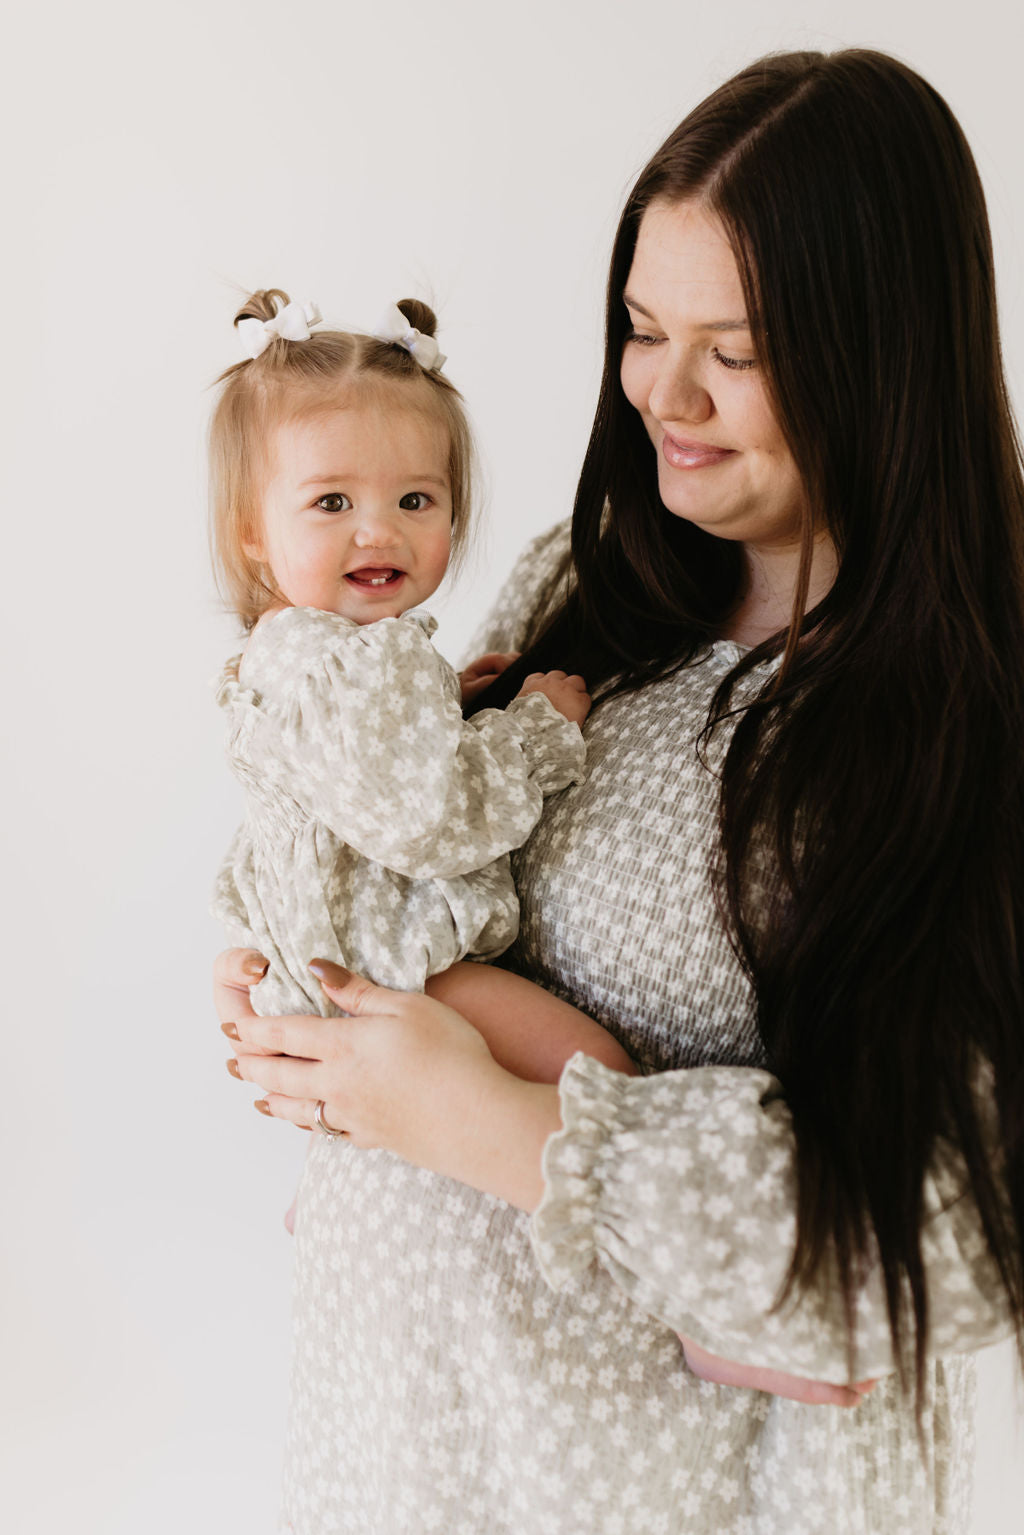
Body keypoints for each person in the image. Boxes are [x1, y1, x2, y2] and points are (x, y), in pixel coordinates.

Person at [217, 49, 1024, 1535]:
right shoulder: (585, 590)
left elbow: (956, 1232)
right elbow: (427, 851)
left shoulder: (963, 718)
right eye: (644, 330)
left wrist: (490, 1121)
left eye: (738, 346)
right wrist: (316, 990)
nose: (666, 392)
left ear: (884, 349)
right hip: (406, 1440)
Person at [210, 291, 635, 1101]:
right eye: (333, 502)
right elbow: (427, 817)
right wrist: (531, 734)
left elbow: (343, 784)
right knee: (599, 1075)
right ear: (252, 530)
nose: (379, 531)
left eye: (415, 500)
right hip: (394, 966)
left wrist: (444, 702)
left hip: (319, 963)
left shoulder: (287, 653)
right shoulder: (362, 664)